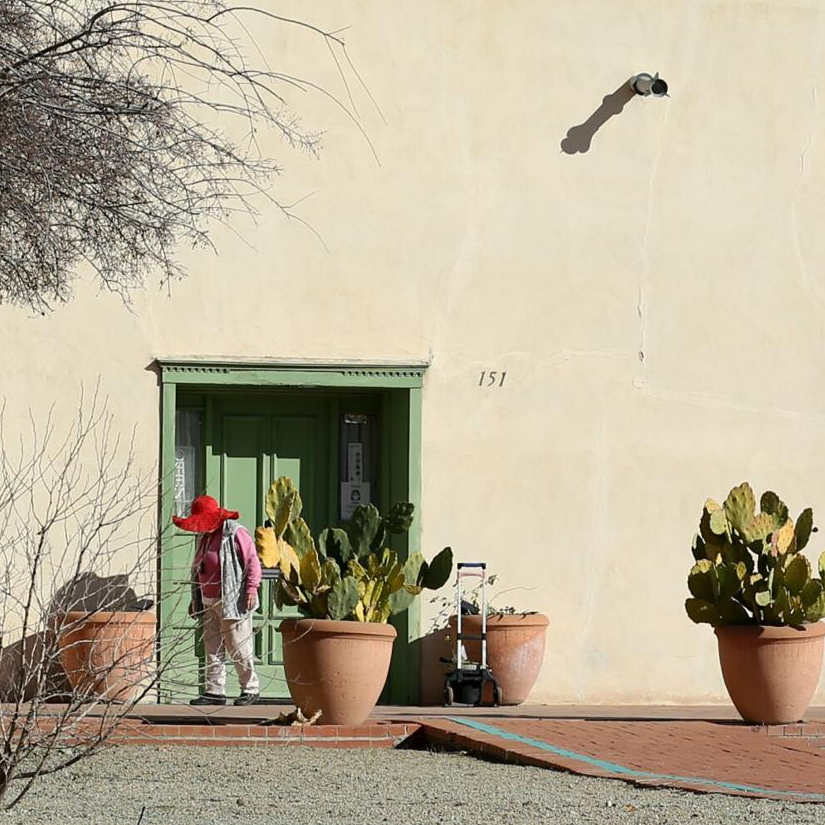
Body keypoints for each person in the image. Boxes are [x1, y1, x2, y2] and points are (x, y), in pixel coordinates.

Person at [172, 495, 262, 706]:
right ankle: (215, 691)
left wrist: (251, 590)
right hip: (208, 600)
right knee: (212, 647)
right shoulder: (204, 538)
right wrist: (195, 600)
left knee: (237, 644)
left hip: (232, 598)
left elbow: (252, 561)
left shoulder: (234, 532)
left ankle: (250, 687)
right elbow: (198, 570)